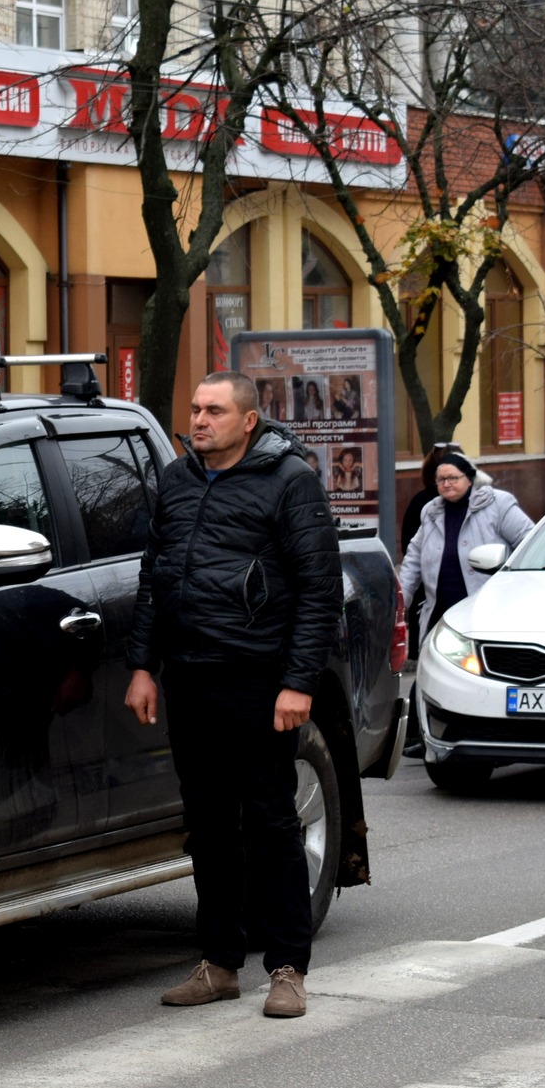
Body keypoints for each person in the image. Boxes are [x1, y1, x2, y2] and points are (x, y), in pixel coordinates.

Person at [123, 372, 342, 1020]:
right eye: (195, 408)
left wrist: (298, 682)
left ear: (248, 421)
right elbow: (155, 575)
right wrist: (142, 666)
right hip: (190, 678)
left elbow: (319, 589)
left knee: (270, 823)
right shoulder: (177, 480)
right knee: (209, 825)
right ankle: (219, 963)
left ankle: (288, 968)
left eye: (214, 410)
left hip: (258, 678)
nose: (199, 419)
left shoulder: (290, 481)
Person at [398, 450, 535, 645]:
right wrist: (401, 601)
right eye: (441, 479)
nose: (446, 484)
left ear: (469, 480)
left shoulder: (497, 505)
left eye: (453, 478)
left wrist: (519, 588)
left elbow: (530, 543)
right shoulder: (431, 512)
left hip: (487, 610)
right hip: (440, 612)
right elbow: (413, 559)